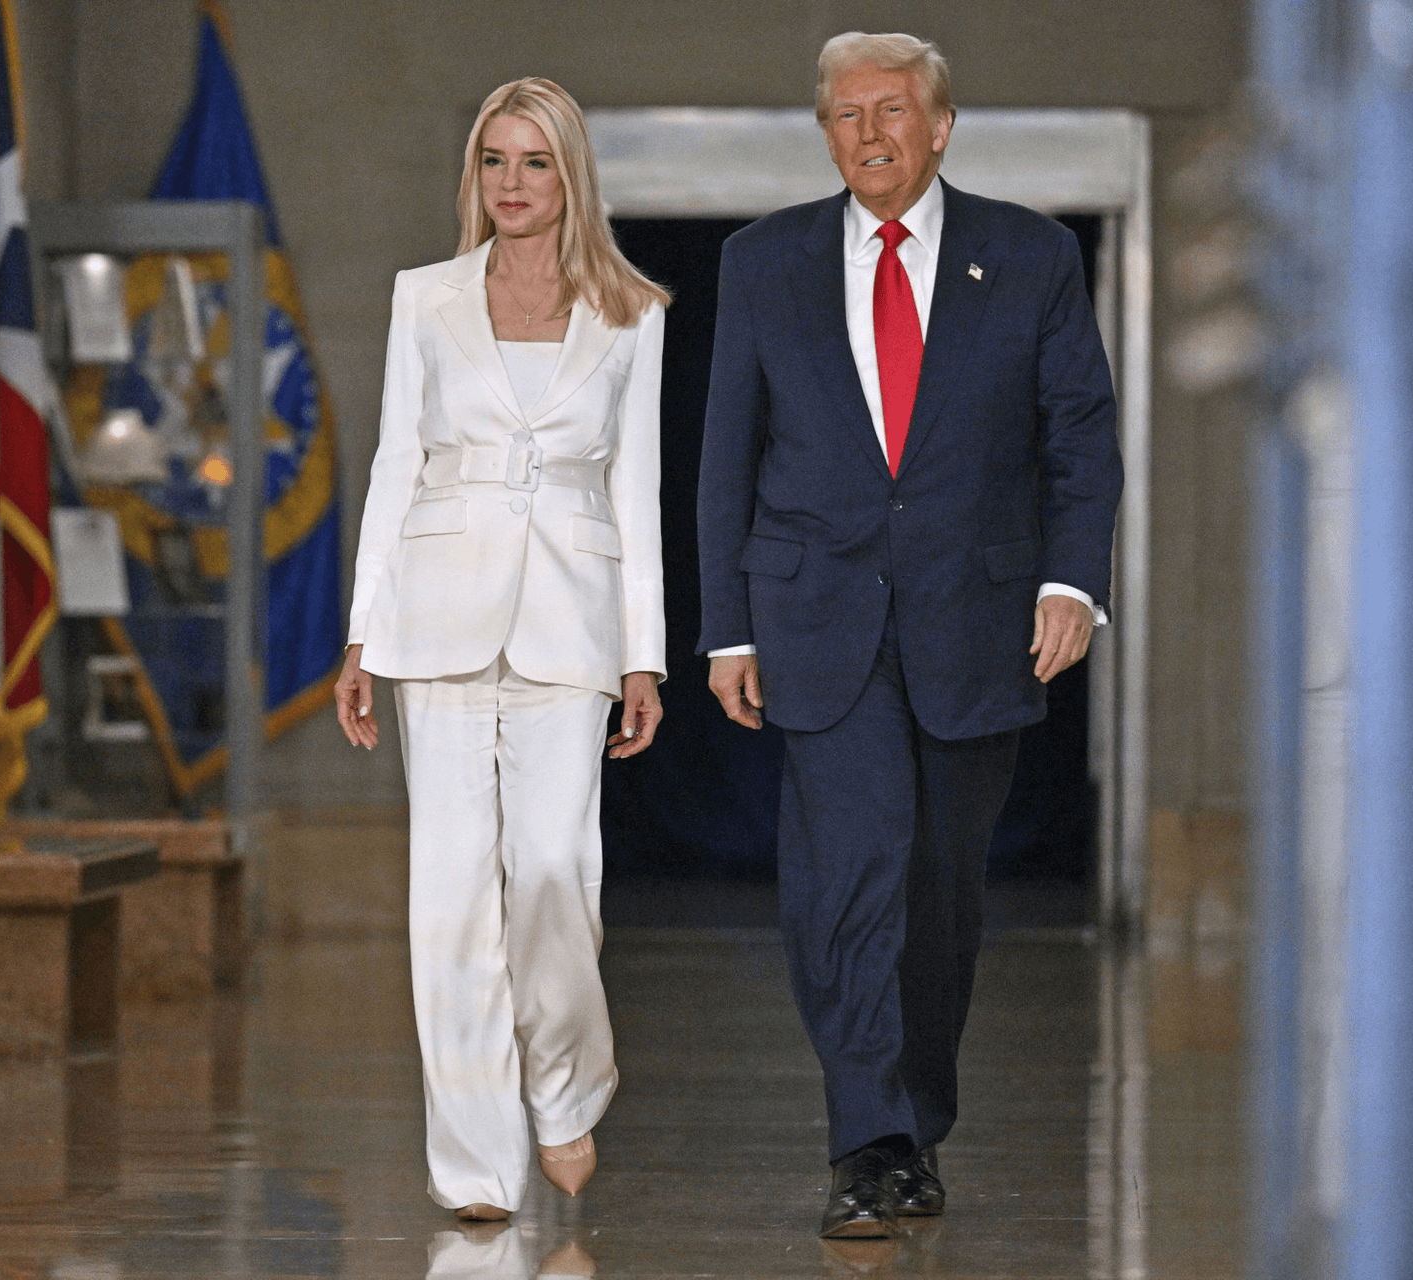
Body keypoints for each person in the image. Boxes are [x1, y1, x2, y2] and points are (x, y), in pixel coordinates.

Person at [696, 32, 1122, 1238]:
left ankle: (913, 1122)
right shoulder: (763, 259)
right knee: (849, 876)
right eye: (845, 113)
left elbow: (1080, 435)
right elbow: (727, 454)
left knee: (938, 892)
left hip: (975, 617)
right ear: (824, 133)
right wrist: (727, 628)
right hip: (816, 617)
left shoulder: (1030, 255)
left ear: (940, 126)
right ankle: (865, 1138)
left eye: (891, 110)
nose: (868, 132)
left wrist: (1071, 582)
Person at [335, 76, 668, 1223]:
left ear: (571, 174)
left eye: (535, 162)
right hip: (436, 609)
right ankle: (476, 1162)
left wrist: (642, 653)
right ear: (473, 172)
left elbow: (637, 489)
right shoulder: (423, 297)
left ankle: (566, 1085)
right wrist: (362, 631)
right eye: (494, 160)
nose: (513, 183)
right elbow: (394, 464)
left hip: (572, 617)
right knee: (448, 896)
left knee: (554, 869)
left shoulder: (633, 310)